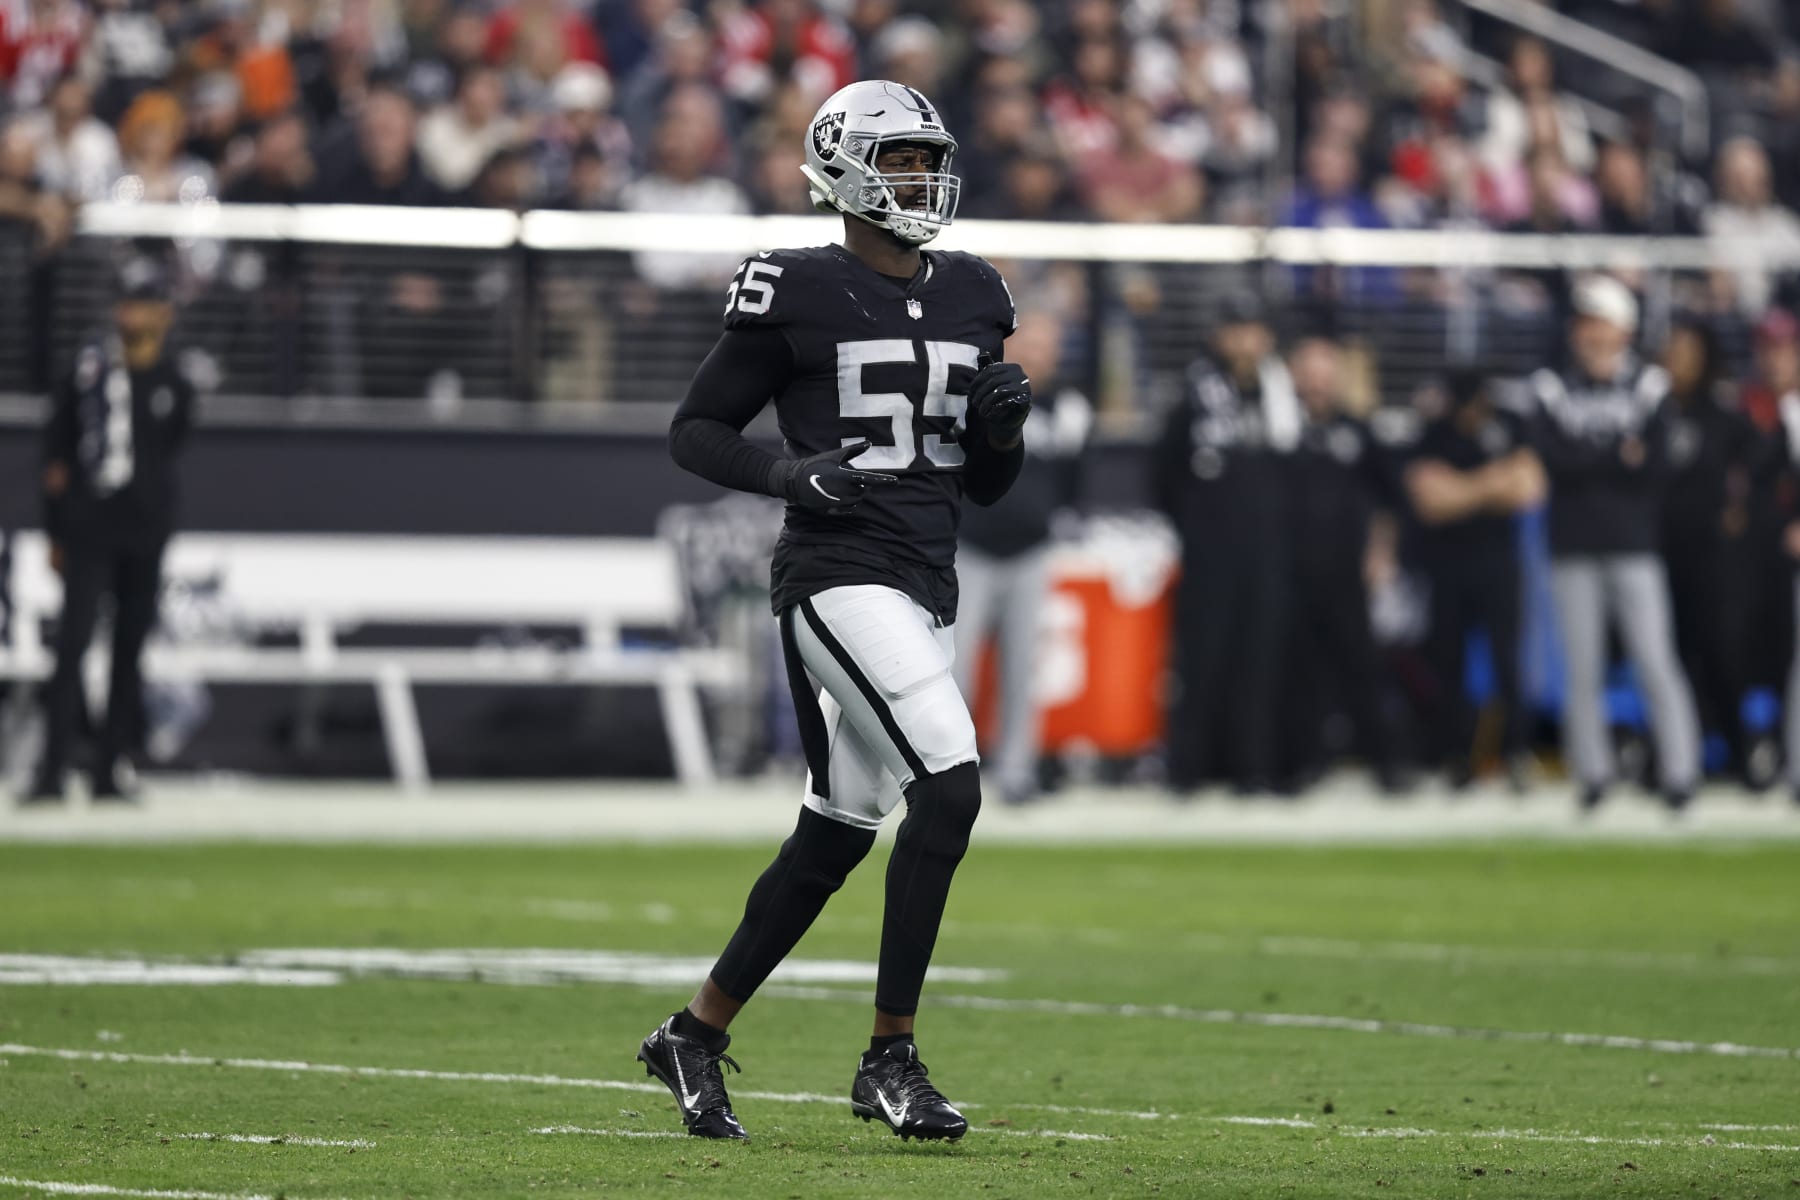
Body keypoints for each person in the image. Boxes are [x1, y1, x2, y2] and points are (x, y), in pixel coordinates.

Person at [652, 80, 1028, 1142]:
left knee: (838, 834)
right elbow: (695, 428)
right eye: (902, 160)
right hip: (833, 574)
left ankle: (694, 1030)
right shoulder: (797, 287)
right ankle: (889, 1058)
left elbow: (987, 488)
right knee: (948, 788)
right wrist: (786, 477)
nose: (922, 178)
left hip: (926, 577)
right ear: (848, 168)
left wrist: (1002, 433)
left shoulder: (974, 293)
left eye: (927, 159)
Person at [25, 259, 195, 803]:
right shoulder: (86, 373)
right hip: (89, 528)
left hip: (143, 533)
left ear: (163, 312)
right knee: (72, 647)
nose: (131, 311)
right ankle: (52, 771)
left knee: (129, 651)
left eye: (142, 301)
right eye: (125, 300)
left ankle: (108, 770)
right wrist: (55, 532)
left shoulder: (175, 381)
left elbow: (168, 451)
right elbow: (56, 459)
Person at [1530, 275, 1701, 811]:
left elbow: (1655, 466)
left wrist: (1590, 458)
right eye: (1585, 322)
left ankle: (1680, 772)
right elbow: (1552, 460)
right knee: (1582, 667)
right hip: (1573, 545)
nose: (1592, 334)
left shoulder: (1649, 386)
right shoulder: (1552, 385)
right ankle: (1594, 774)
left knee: (1655, 658)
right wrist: (1613, 457)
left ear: (1623, 328)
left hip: (1635, 543)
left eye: (1601, 322)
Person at [1153, 293, 1298, 794]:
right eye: (1236, 329)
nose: (1245, 340)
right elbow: (1165, 473)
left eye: (1253, 329)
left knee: (1260, 661)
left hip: (1266, 553)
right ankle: (1188, 769)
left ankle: (1253, 768)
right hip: (1211, 553)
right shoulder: (1194, 391)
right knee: (1202, 659)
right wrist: (1197, 530)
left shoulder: (1280, 390)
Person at [952, 308, 1091, 808]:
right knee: (954, 670)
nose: (1039, 355)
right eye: (1031, 345)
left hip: (1031, 553)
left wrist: (1056, 524)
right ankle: (943, 772)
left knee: (1021, 670)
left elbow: (1075, 483)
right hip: (971, 548)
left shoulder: (1070, 408)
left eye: (1048, 347)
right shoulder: (980, 395)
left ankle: (1017, 771)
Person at [1405, 368, 1546, 787]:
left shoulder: (1508, 427)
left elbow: (1529, 489)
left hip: (1499, 565)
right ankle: (1455, 755)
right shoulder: (1434, 433)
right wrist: (1491, 484)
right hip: (1447, 567)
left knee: (1509, 662)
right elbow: (1430, 501)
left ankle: (1517, 751)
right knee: (1448, 662)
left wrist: (1461, 489)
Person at [1283, 336, 1406, 792]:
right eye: (1308, 374)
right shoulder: (1281, 429)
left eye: (1324, 374)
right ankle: (1305, 763)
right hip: (1292, 574)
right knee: (1301, 673)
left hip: (1347, 573)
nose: (1316, 384)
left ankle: (1387, 763)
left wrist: (1381, 554)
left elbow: (1390, 500)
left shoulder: (1358, 430)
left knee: (1363, 668)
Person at [1658, 316, 1766, 784]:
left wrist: (1740, 504)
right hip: (1662, 553)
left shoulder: (1720, 412)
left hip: (1713, 557)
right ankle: (1679, 758)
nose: (1679, 359)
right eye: (1673, 349)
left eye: (1687, 349)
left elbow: (1761, 458)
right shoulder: (1654, 410)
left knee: (1720, 656)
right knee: (1669, 660)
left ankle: (1740, 754)